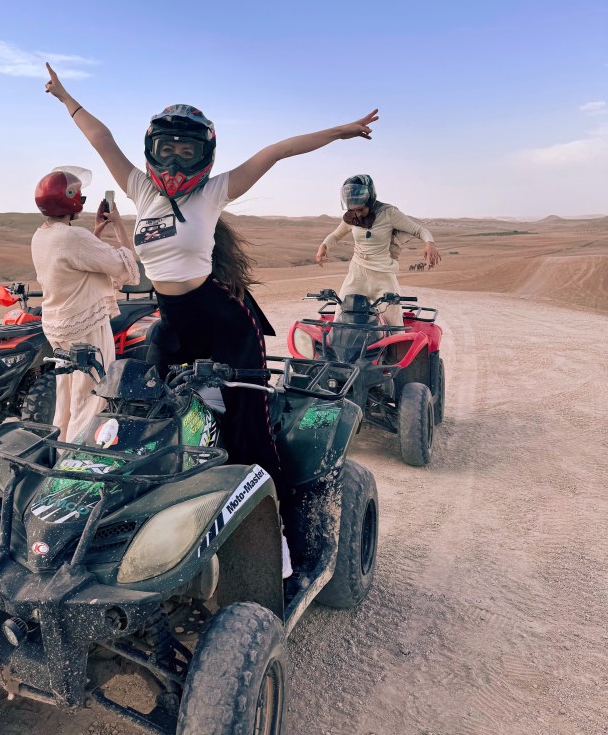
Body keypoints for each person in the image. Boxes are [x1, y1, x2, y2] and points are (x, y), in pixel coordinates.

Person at [43, 65, 377, 543]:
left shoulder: (214, 191)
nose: (176, 162)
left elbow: (277, 151)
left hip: (226, 324)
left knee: (248, 426)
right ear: (152, 150)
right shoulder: (141, 188)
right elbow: (101, 138)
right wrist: (64, 96)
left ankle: (278, 534)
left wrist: (340, 131)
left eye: (188, 151)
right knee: (142, 415)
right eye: (167, 150)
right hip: (172, 324)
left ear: (205, 154)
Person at [31, 167, 140, 442]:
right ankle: (79, 456)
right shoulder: (74, 237)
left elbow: (77, 260)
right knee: (91, 397)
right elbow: (125, 265)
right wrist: (118, 224)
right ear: (68, 199)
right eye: (79, 195)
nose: (81, 199)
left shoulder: (41, 235)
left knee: (66, 396)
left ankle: (60, 449)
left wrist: (96, 232)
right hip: (85, 327)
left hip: (58, 327)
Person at [316, 174, 441, 326]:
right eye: (353, 210)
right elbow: (336, 235)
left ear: (370, 200)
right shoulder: (351, 217)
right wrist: (324, 246)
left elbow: (419, 230)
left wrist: (430, 243)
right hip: (357, 274)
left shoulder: (388, 213)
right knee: (340, 318)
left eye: (361, 209)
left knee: (394, 325)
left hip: (383, 276)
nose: (357, 214)